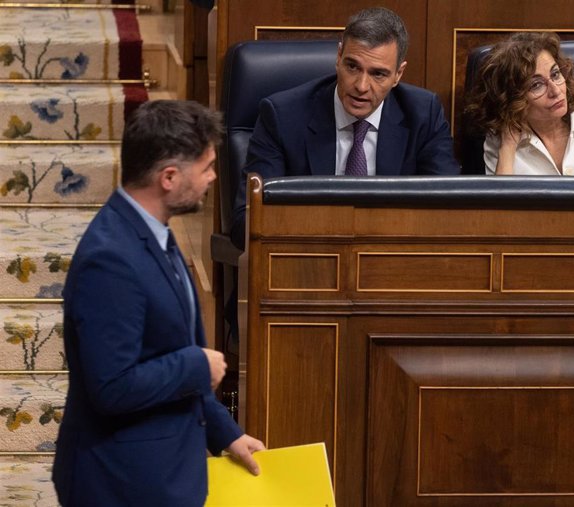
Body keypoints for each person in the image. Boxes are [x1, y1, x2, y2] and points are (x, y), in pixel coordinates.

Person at [52, 100, 265, 507]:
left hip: (161, 473)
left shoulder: (154, 234)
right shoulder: (110, 259)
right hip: (120, 482)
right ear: (169, 177)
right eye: (206, 168)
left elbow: (169, 348)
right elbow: (111, 386)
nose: (213, 177)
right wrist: (196, 366)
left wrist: (227, 433)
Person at [230, 7, 460, 249]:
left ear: (398, 74)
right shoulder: (282, 116)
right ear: (338, 57)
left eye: (378, 74)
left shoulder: (424, 114)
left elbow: (448, 210)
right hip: (309, 260)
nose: (361, 86)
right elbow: (246, 221)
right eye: (352, 67)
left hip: (391, 261)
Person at [464, 32, 574, 177]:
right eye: (536, 85)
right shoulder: (501, 141)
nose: (556, 91)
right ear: (512, 99)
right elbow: (500, 214)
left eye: (556, 74)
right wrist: (508, 148)